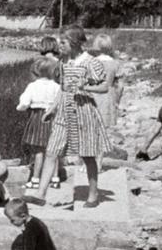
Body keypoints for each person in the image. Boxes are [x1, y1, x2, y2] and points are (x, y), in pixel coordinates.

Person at [24, 25, 110, 208]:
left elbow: (104, 87)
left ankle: (93, 194)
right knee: (51, 151)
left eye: (63, 42)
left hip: (84, 111)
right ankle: (40, 194)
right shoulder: (63, 62)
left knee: (87, 155)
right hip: (64, 112)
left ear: (74, 42)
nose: (59, 45)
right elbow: (63, 89)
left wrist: (85, 87)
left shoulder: (90, 62)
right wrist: (52, 108)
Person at [17, 58, 62, 190]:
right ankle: (55, 179)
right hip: (52, 117)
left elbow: (24, 102)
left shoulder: (33, 86)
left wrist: (20, 107)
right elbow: (59, 103)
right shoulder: (56, 86)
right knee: (53, 150)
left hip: (37, 117)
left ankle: (35, 179)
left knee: (38, 151)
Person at [90, 34, 121, 127]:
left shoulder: (91, 62)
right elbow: (120, 86)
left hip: (94, 95)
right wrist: (117, 100)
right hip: (109, 97)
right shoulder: (115, 63)